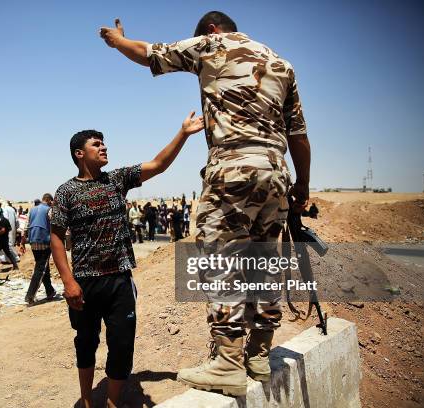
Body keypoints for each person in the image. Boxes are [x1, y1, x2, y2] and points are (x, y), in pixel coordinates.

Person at [100, 11, 311, 396]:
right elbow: (299, 136)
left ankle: (228, 363)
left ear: (211, 29)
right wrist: (303, 188)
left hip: (232, 166)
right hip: (277, 172)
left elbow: (149, 53)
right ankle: (258, 355)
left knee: (220, 258)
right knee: (264, 259)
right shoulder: (282, 63)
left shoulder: (210, 44)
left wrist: (117, 41)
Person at [50, 112, 204, 408]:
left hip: (120, 279)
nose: (104, 147)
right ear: (80, 153)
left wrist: (183, 133)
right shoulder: (66, 191)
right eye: (97, 144)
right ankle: (86, 401)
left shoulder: (117, 180)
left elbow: (158, 165)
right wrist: (68, 282)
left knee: (121, 344)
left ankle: (111, 402)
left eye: (105, 143)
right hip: (85, 281)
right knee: (86, 342)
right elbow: (56, 238)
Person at [21, 193, 57, 305]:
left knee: (43, 267)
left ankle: (50, 291)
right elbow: (54, 226)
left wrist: (22, 243)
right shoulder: (49, 210)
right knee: (40, 269)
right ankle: (30, 295)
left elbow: (25, 227)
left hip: (33, 241)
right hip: (44, 242)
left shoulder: (32, 210)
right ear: (49, 201)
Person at [0, 207, 18, 275]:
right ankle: (15, 266)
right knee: (8, 253)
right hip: (5, 239)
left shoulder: (0, 221)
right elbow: (10, 229)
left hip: (0, 240)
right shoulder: (6, 220)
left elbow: (3, 230)